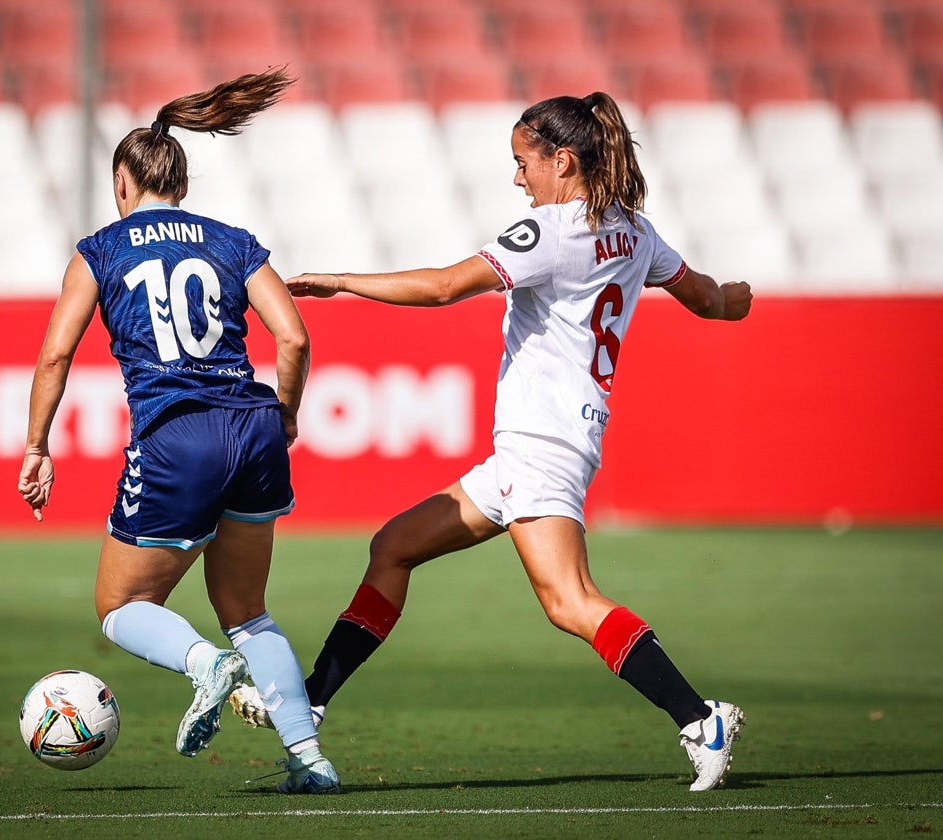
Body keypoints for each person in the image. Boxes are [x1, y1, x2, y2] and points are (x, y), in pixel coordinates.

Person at [229, 91, 753, 792]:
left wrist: (340, 281)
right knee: (394, 546)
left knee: (569, 600)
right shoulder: (636, 232)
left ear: (563, 161)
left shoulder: (553, 231)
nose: (517, 179)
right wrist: (735, 301)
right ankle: (309, 703)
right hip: (538, 445)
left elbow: (446, 286)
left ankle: (700, 718)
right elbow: (707, 299)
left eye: (523, 162)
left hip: (545, 441)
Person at [17, 67, 339, 795]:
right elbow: (292, 338)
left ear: (121, 184)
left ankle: (203, 665)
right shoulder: (230, 240)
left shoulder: (101, 249)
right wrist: (284, 415)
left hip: (176, 434)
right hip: (252, 427)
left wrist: (37, 446)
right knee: (249, 613)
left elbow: (57, 354)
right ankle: (310, 761)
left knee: (121, 607)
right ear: (182, 186)